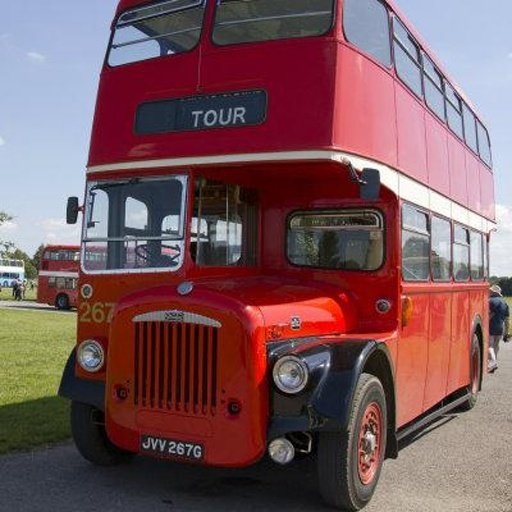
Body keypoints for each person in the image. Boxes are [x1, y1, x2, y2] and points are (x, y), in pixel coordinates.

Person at [488, 284, 510, 373]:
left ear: (492, 292)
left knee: (489, 346)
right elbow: (507, 320)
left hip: (490, 327)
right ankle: (493, 363)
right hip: (500, 328)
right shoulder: (504, 303)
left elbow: (490, 315)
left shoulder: (490, 301)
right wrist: (506, 333)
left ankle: (493, 363)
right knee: (496, 346)